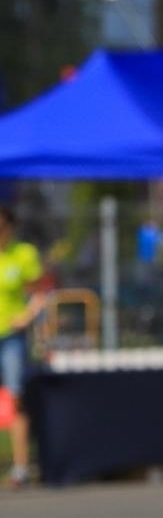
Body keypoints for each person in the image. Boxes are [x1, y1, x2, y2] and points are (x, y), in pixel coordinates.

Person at [0, 206, 46, 488]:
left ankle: (20, 468)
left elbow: (40, 293)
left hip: (11, 336)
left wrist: (27, 317)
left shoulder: (23, 254)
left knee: (15, 399)